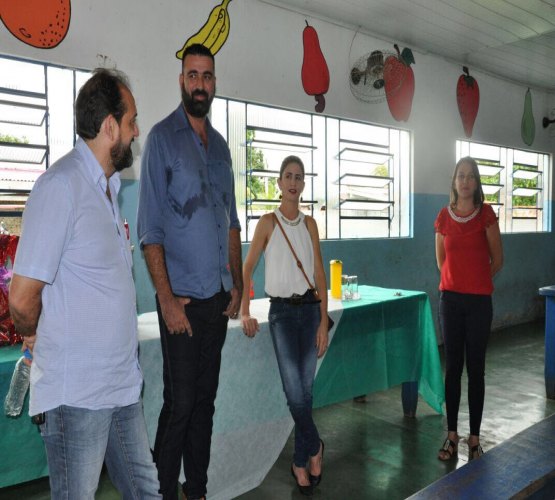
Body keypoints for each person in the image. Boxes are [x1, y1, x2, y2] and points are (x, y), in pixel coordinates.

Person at [8, 69, 161, 499]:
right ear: (109, 126)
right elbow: (21, 298)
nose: (136, 131)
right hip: (77, 395)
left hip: (121, 387)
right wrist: (35, 334)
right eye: (131, 120)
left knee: (146, 491)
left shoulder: (108, 190)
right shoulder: (61, 186)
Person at [137, 43, 242, 500]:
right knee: (179, 405)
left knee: (205, 403)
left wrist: (237, 284)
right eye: (193, 75)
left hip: (217, 300)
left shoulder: (220, 147)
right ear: (182, 81)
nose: (200, 83)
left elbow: (232, 222)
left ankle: (195, 488)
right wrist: (164, 299)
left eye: (207, 76)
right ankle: (159, 492)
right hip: (179, 301)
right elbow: (150, 228)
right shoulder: (161, 139)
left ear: (214, 83)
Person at [241, 155, 328, 496]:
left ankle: (299, 459)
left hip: (309, 311)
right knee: (295, 392)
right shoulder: (267, 222)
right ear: (279, 183)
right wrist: (245, 311)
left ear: (303, 185)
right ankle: (316, 445)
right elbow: (246, 268)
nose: (293, 182)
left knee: (304, 392)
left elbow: (319, 274)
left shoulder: (310, 225)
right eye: (288, 176)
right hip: (280, 314)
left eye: (299, 177)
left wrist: (323, 320)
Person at [434, 156, 503, 462]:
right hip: (450, 302)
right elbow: (441, 262)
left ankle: (474, 439)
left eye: (470, 177)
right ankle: (452, 435)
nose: (464, 181)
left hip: (478, 304)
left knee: (476, 370)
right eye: (460, 176)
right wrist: (456, 282)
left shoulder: (485, 214)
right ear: (454, 181)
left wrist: (475, 282)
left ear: (477, 183)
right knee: (452, 369)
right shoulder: (443, 217)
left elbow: (497, 260)